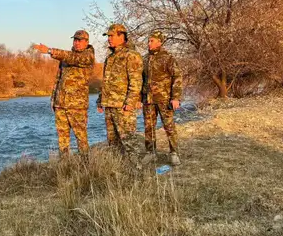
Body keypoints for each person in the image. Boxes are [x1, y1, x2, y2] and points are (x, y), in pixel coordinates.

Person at [33, 30, 95, 155]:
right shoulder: (66, 57)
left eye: (80, 40)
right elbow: (58, 79)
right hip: (61, 104)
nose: (77, 42)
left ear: (86, 42)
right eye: (75, 40)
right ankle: (65, 166)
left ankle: (87, 166)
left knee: (81, 137)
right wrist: (54, 99)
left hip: (77, 106)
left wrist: (50, 51)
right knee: (62, 139)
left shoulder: (88, 56)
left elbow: (72, 58)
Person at [96, 23, 143, 158]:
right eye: (108, 36)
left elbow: (136, 82)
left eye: (111, 36)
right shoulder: (110, 58)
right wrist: (100, 100)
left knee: (129, 143)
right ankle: (120, 173)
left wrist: (130, 102)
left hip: (123, 107)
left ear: (121, 36)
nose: (109, 39)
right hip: (109, 106)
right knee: (113, 143)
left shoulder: (131, 55)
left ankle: (139, 173)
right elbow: (106, 82)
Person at [141, 30, 183, 166]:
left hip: (165, 99)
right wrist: (138, 98)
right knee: (149, 127)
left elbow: (177, 77)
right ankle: (150, 152)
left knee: (169, 126)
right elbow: (141, 79)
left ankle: (174, 153)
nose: (149, 43)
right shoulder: (145, 58)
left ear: (159, 42)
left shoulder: (168, 57)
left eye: (152, 41)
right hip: (148, 100)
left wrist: (175, 97)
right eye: (148, 40)